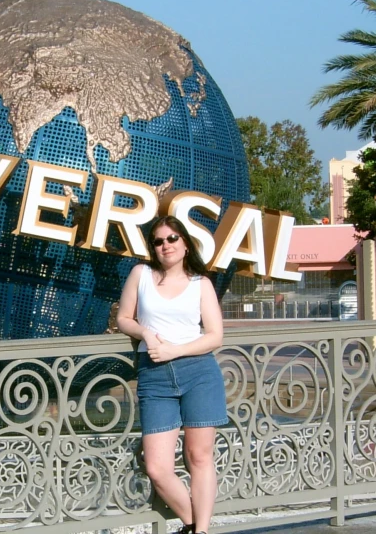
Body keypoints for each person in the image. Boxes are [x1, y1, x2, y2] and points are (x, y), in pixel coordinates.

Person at [116, 215, 227, 534]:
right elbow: (124, 317)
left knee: (199, 457)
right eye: (158, 241)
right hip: (154, 377)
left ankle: (201, 530)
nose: (165, 245)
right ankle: (194, 524)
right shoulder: (141, 274)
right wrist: (146, 334)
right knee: (157, 466)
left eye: (172, 239)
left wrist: (174, 350)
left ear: (185, 242)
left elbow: (215, 336)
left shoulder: (201, 283)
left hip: (199, 373)